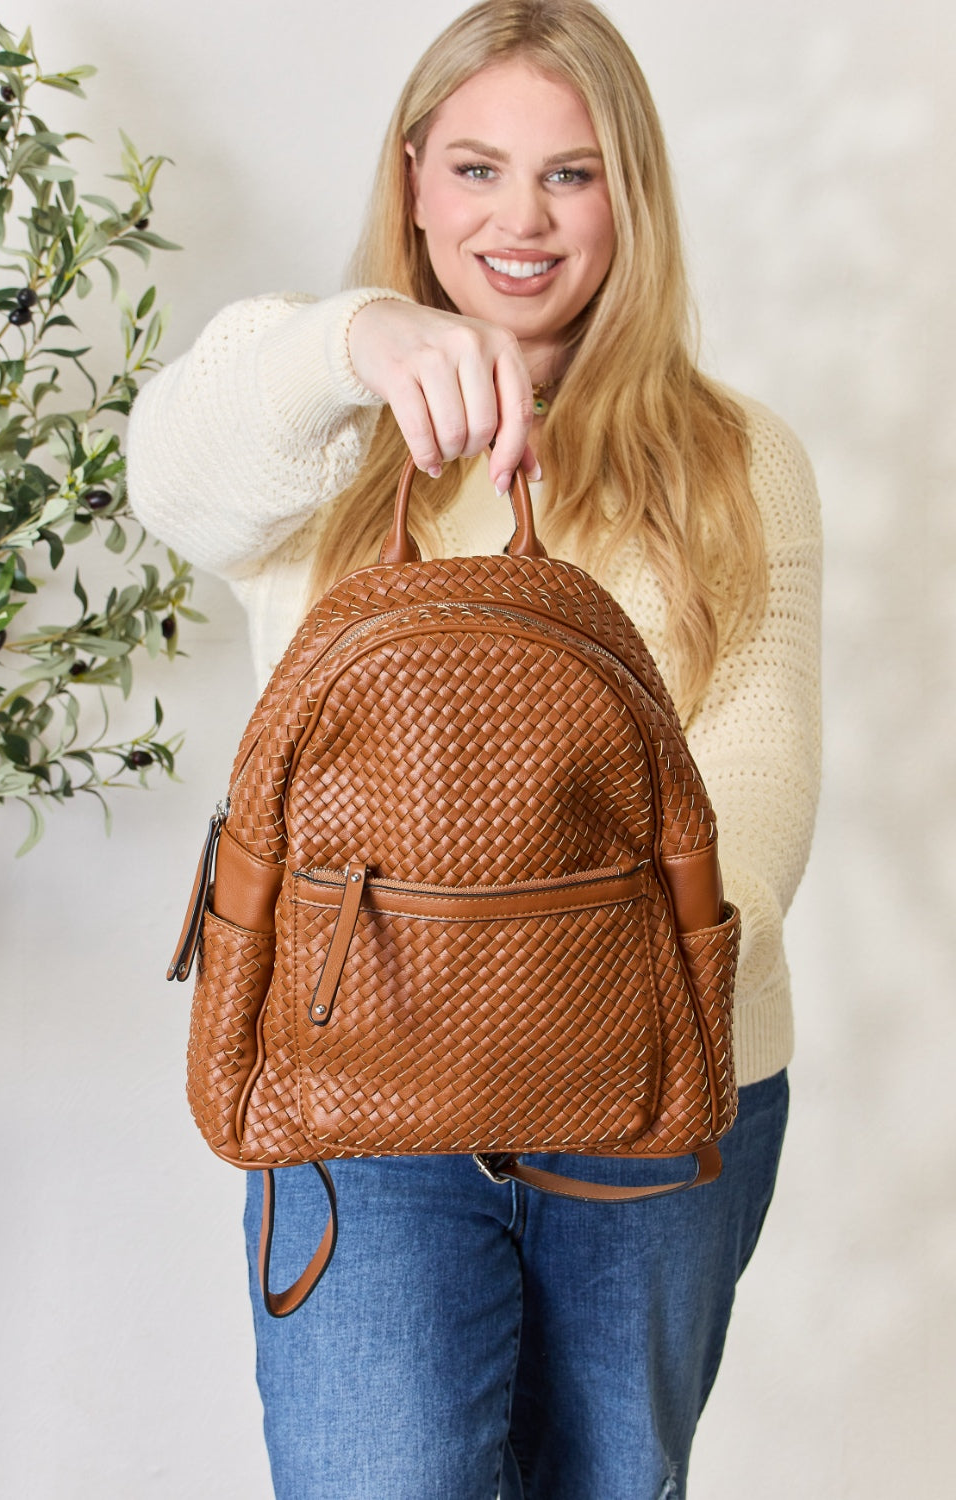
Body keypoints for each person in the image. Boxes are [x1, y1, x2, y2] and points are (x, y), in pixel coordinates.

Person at [127, 2, 821, 1495]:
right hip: (348, 1075)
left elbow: (758, 744)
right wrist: (353, 341)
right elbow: (165, 473)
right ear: (413, 176)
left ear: (631, 195)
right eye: (480, 167)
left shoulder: (731, 452)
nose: (522, 218)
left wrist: (657, 969)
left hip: (660, 1076)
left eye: (572, 175)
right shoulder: (321, 427)